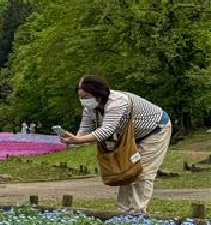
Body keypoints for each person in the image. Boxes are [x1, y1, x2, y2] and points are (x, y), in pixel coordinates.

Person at [59, 75, 172, 215]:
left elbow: (105, 131)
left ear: (97, 93)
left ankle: (138, 214)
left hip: (155, 130)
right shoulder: (90, 108)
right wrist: (72, 139)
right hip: (131, 136)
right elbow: (84, 131)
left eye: (85, 96)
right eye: (81, 97)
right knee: (126, 171)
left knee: (142, 173)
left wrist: (77, 140)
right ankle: (123, 213)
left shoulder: (117, 101)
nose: (83, 100)